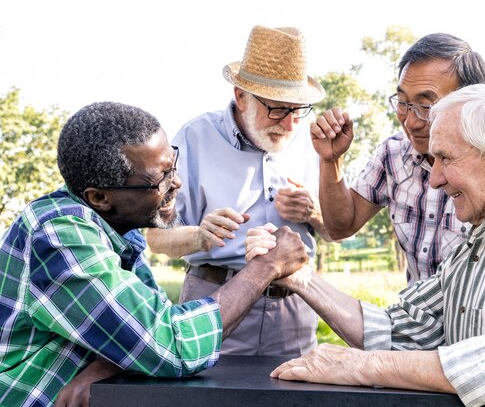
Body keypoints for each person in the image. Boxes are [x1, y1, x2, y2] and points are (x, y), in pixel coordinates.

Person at [247, 84, 485, 406]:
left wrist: (363, 366)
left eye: (446, 158)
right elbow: (401, 331)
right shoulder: (475, 246)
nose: (435, 180)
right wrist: (298, 275)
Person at [0, 102, 309, 407]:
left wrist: (109, 364)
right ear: (100, 197)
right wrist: (267, 266)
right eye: (160, 178)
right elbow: (172, 345)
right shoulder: (59, 236)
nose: (175, 182)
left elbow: (147, 321)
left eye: (173, 166)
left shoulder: (120, 228)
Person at [146, 25, 329, 356]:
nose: (289, 124)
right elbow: (155, 237)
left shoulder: (311, 142)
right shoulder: (194, 138)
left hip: (294, 310)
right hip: (214, 300)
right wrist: (199, 235)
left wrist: (315, 213)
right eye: (276, 108)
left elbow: (337, 231)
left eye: (297, 110)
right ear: (241, 95)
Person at [311, 33, 485, 283]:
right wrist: (331, 161)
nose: (411, 121)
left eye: (426, 107)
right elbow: (341, 226)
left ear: (471, 102)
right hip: (412, 320)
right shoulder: (393, 155)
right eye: (403, 103)